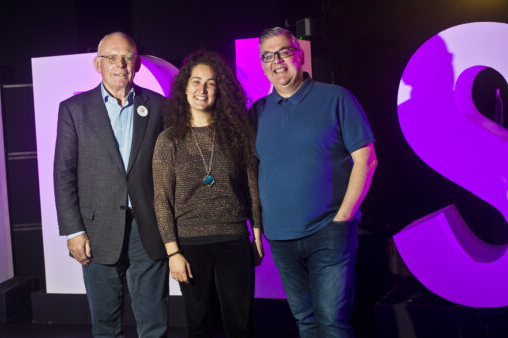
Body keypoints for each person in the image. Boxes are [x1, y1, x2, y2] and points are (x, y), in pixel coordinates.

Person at [251, 27, 378, 338]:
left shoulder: (335, 97)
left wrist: (343, 217)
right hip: (280, 238)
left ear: (300, 55)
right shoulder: (256, 111)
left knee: (332, 323)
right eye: (268, 56)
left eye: (283, 52)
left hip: (329, 231)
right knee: (306, 323)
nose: (276, 61)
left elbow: (367, 160)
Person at [54, 32, 168, 338]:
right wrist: (74, 231)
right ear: (97, 64)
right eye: (111, 57)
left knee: (154, 325)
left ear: (138, 63)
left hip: (148, 228)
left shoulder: (159, 107)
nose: (120, 64)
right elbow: (63, 173)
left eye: (127, 57)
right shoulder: (74, 110)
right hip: (96, 231)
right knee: (105, 327)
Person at [152, 51, 263, 338]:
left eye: (210, 83)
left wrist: (258, 235)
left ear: (220, 90)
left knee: (241, 323)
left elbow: (252, 186)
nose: (202, 90)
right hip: (190, 245)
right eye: (196, 81)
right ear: (184, 87)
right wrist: (173, 252)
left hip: (234, 241)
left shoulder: (237, 134)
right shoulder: (168, 140)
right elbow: (162, 199)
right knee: (199, 323)